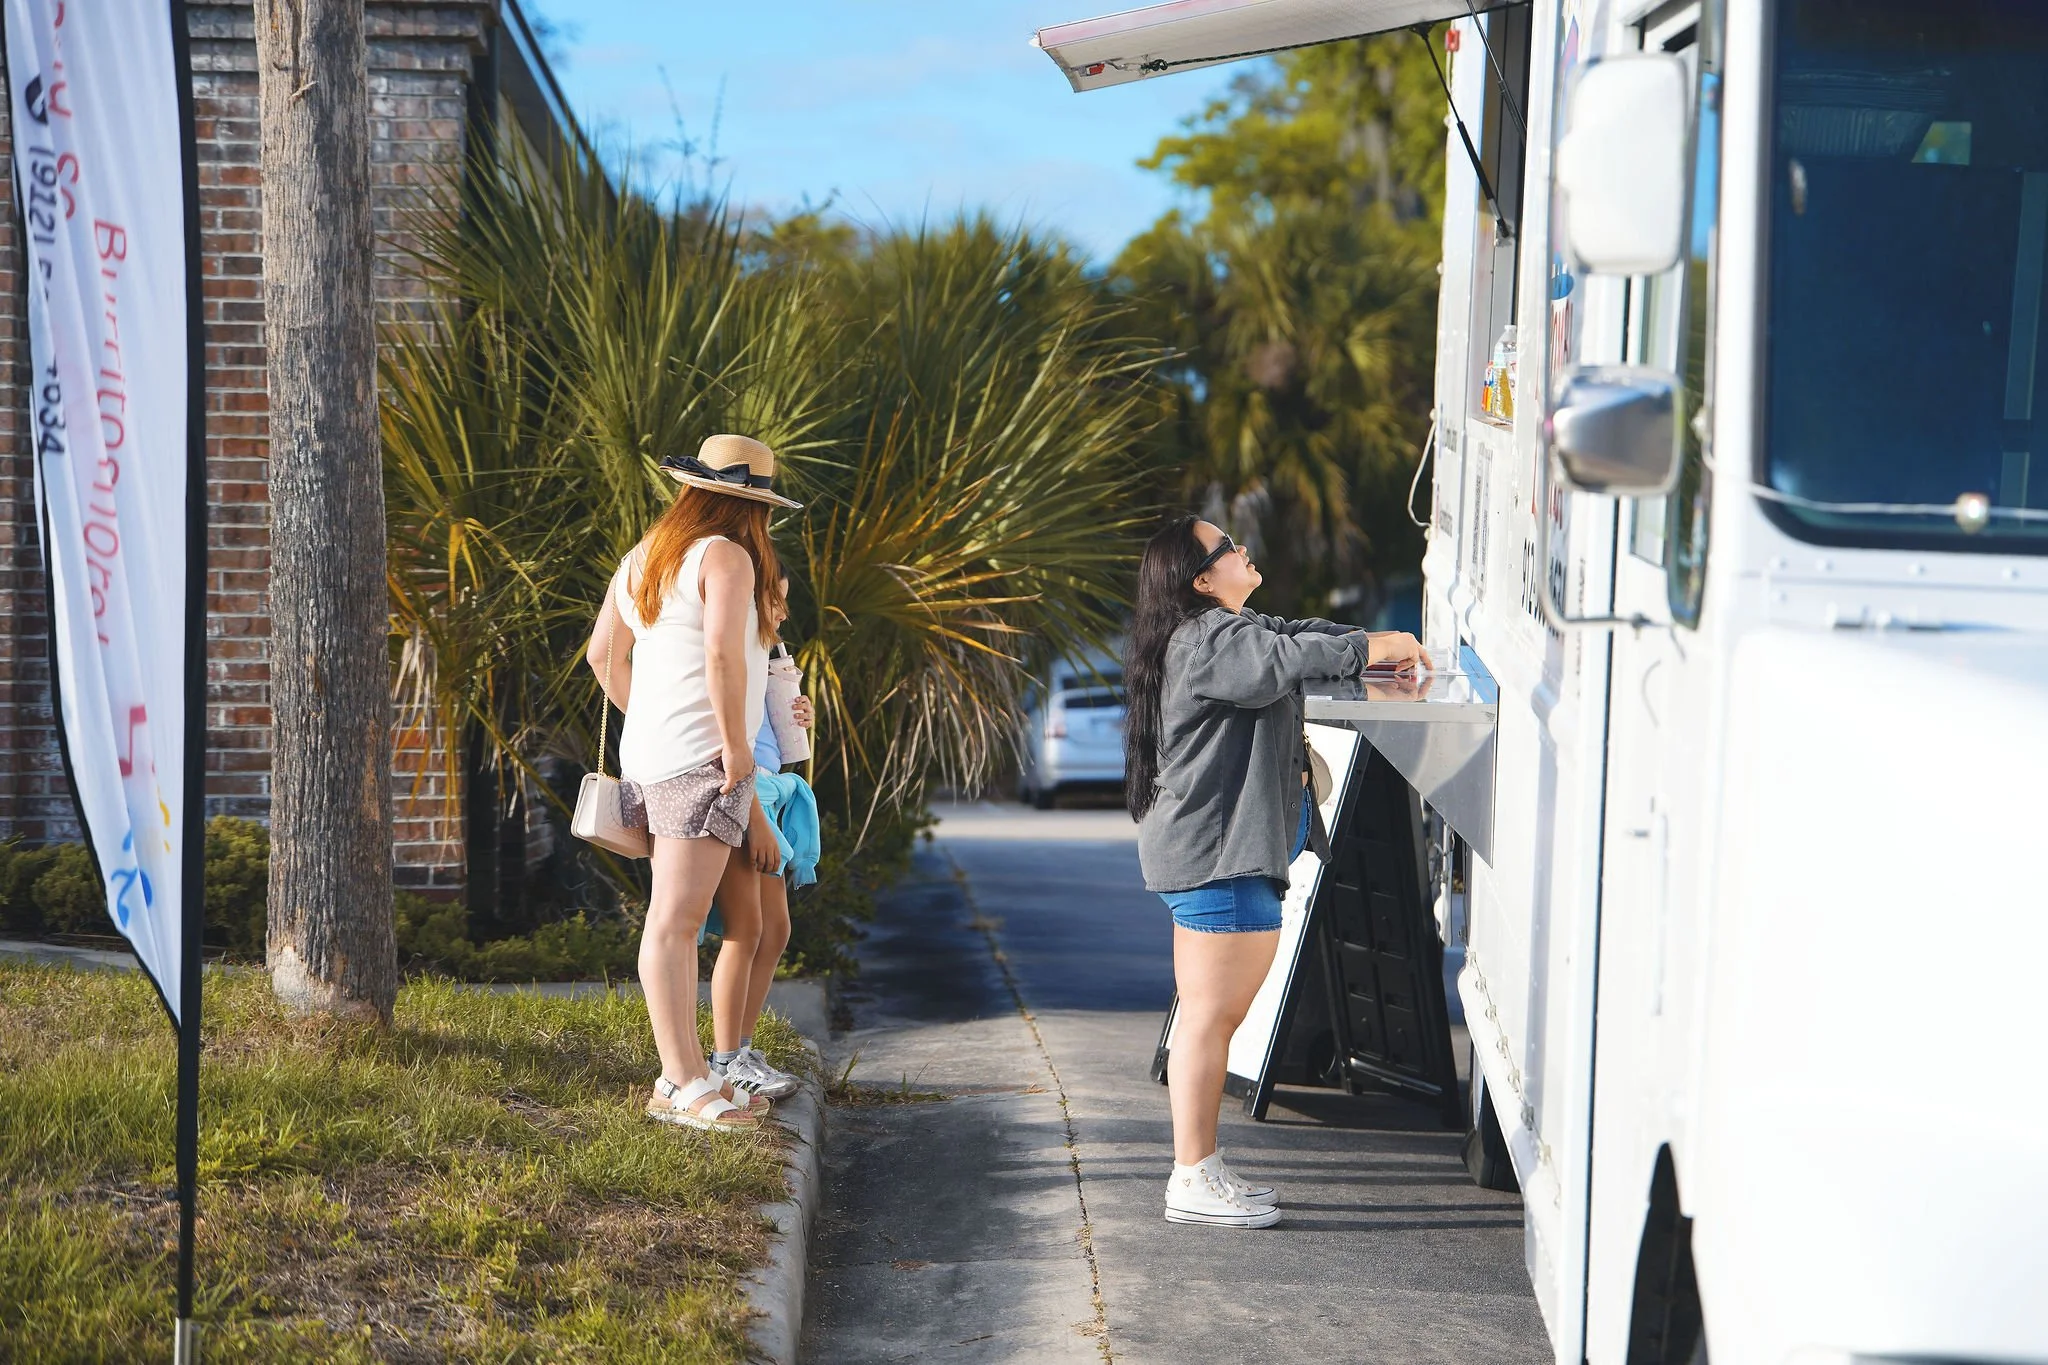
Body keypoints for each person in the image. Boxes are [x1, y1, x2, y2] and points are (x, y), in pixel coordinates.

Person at [1123, 515, 1429, 1227]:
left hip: (1213, 857)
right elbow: (1282, 662)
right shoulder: (1211, 641)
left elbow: (1287, 637)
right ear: (1201, 579)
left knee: (1209, 1015)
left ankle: (1202, 1166)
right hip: (1218, 862)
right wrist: (1374, 646)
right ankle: (1191, 1176)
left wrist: (1362, 649)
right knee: (1209, 1018)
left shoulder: (1222, 632)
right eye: (1229, 546)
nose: (1244, 547)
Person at [585, 433, 802, 1134]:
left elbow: (600, 656)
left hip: (648, 758)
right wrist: (737, 751)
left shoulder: (644, 556)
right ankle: (679, 1082)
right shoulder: (728, 556)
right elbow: (719, 654)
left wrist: (651, 716)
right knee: (675, 924)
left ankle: (689, 1073)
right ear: (751, 508)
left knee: (673, 921)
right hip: (704, 762)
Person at [704, 575, 821, 1103]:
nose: (785, 614)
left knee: (774, 929)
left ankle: (742, 1050)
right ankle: (725, 1060)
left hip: (769, 793)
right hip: (741, 798)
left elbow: (772, 745)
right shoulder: (733, 663)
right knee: (746, 929)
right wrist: (754, 816)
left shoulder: (766, 662)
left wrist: (798, 720)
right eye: (778, 602)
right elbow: (727, 746)